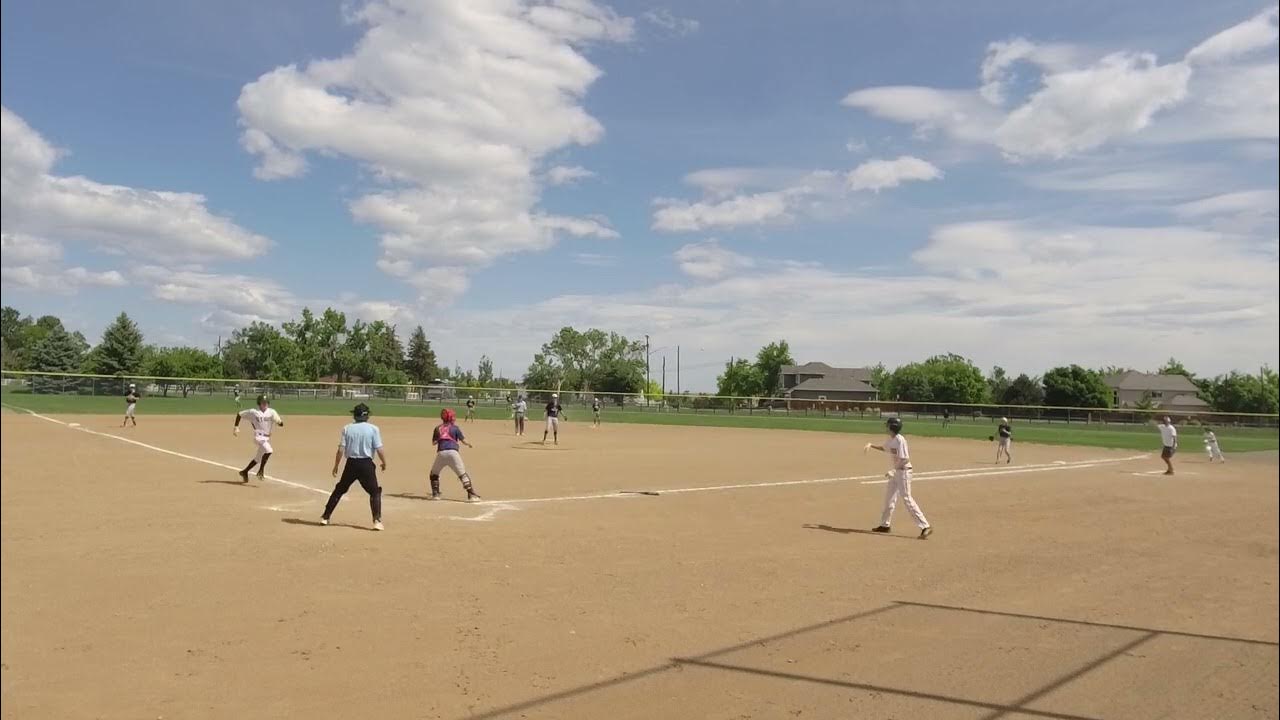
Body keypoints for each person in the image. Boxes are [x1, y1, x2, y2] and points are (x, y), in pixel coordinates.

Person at [321, 403, 387, 530]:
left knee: (339, 489)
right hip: (366, 464)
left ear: (355, 415)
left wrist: (336, 465)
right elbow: (379, 448)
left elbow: (341, 449)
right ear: (367, 416)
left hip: (351, 464)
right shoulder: (373, 429)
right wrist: (384, 462)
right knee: (374, 492)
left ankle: (325, 517)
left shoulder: (347, 428)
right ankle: (377, 521)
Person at [865, 417, 932, 539]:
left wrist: (893, 470)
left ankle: (925, 526)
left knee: (907, 499)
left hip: (904, 472)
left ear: (892, 427)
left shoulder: (900, 440)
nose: (886, 427)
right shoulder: (891, 439)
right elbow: (885, 448)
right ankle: (885, 525)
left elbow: (905, 459)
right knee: (889, 499)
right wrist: (871, 445)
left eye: (888, 425)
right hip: (897, 472)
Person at [429, 408, 481, 502]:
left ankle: (436, 494)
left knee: (434, 474)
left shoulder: (437, 428)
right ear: (451, 418)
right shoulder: (455, 428)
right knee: (462, 474)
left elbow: (434, 443)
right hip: (453, 453)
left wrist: (441, 437)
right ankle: (471, 495)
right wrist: (469, 444)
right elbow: (463, 441)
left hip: (441, 454)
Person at [233, 395, 284, 482]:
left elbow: (281, 424)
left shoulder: (272, 412)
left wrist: (279, 422)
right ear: (259, 403)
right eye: (263, 402)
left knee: (258, 458)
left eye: (266, 402)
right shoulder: (253, 412)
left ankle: (244, 472)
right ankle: (261, 471)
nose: (265, 404)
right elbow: (239, 414)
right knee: (269, 450)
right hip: (258, 437)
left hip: (266, 438)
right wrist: (236, 427)